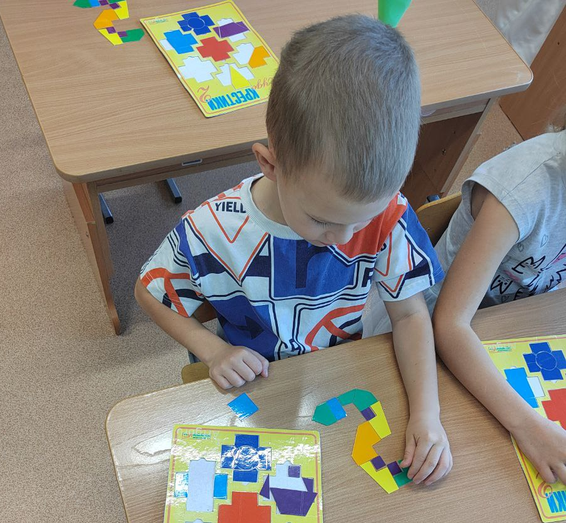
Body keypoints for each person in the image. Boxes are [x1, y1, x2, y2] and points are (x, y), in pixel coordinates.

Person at [135, 15, 452, 485]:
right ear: (270, 164)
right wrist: (212, 351)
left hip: (330, 375)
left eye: (361, 221)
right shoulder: (212, 229)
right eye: (322, 220)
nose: (344, 237)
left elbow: (408, 315)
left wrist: (427, 414)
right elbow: (148, 292)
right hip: (249, 381)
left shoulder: (389, 214)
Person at [433, 115, 566, 484]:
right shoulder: (527, 187)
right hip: (432, 335)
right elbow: (449, 324)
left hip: (516, 332)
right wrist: (529, 427)